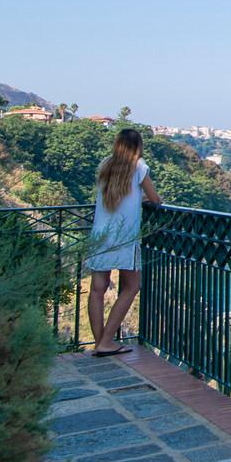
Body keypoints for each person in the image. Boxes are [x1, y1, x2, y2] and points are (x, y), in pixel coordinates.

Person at [84, 127, 162, 356]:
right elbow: (156, 199)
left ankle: (101, 343)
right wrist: (144, 199)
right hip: (125, 237)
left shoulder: (106, 165)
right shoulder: (139, 167)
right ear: (138, 146)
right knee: (131, 286)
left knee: (97, 289)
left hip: (100, 235)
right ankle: (107, 340)